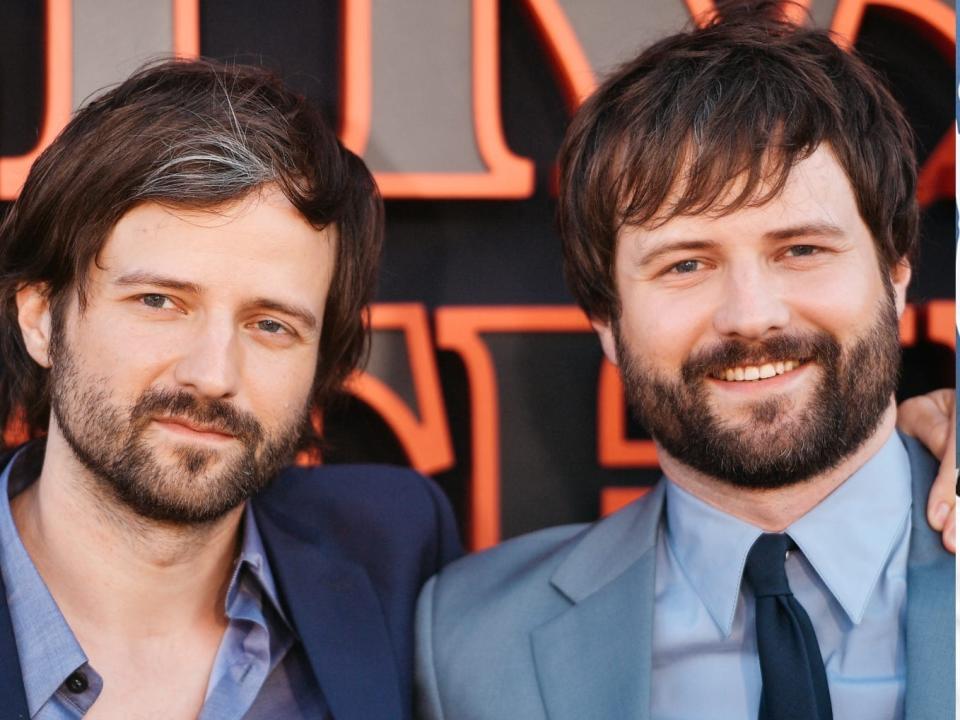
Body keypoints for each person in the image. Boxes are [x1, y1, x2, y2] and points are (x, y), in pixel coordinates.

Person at [415, 7, 955, 720]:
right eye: (686, 263)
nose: (751, 314)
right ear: (605, 319)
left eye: (802, 250)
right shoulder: (468, 639)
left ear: (896, 269)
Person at [0, 60, 461, 720]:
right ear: (41, 318)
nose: (213, 375)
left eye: (270, 324)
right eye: (158, 301)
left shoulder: (394, 547)